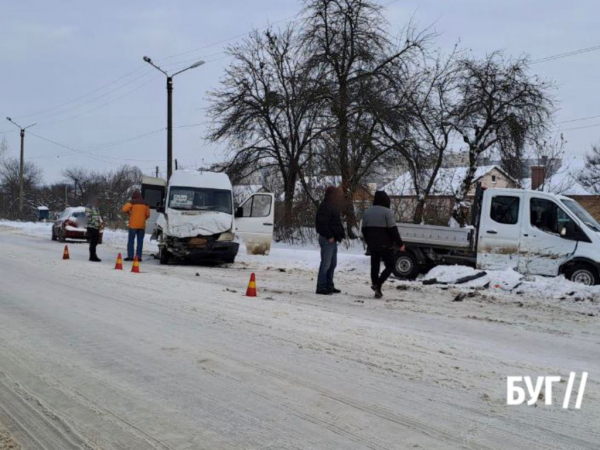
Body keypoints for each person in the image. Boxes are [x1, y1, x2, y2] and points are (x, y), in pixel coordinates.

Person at [361, 190, 405, 299]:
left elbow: (364, 230)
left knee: (374, 267)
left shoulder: (367, 212)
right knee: (390, 265)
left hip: (373, 245)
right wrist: (400, 244)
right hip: (386, 245)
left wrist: (369, 242)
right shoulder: (387, 212)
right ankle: (378, 284)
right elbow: (393, 230)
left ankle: (377, 289)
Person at [315, 186, 346, 295]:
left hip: (333, 239)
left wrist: (339, 234)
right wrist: (329, 236)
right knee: (326, 264)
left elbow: (335, 223)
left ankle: (329, 285)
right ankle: (321, 286)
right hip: (327, 239)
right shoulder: (326, 206)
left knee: (332, 264)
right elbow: (321, 224)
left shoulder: (332, 206)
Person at [122, 190, 151, 261]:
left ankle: (130, 256)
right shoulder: (145, 203)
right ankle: (138, 257)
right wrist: (143, 218)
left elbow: (124, 209)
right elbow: (148, 215)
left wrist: (129, 214)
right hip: (141, 226)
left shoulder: (132, 202)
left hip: (133, 225)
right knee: (140, 242)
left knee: (131, 241)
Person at [85, 196, 103, 262]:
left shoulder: (96, 208)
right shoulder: (89, 207)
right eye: (98, 201)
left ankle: (94, 255)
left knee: (95, 241)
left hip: (96, 227)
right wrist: (96, 224)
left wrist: (100, 223)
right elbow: (89, 217)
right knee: (93, 242)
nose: (99, 203)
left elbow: (98, 217)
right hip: (91, 227)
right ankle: (92, 256)